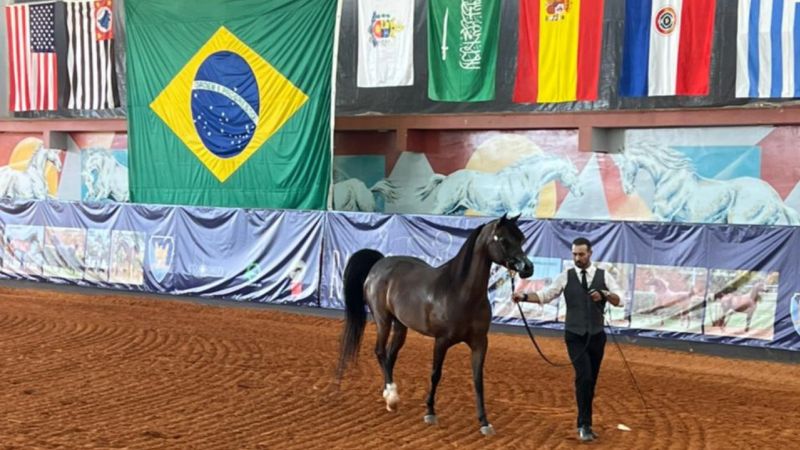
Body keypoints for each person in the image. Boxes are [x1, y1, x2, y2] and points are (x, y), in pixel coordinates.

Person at [512, 237, 622, 443]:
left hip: (597, 336)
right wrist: (524, 297)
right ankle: (583, 424)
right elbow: (546, 295)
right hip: (574, 336)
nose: (577, 258)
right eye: (574, 254)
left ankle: (586, 421)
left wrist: (604, 294)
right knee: (585, 376)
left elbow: (620, 299)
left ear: (590, 253)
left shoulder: (603, 275)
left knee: (591, 381)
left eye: (581, 254)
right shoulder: (566, 276)